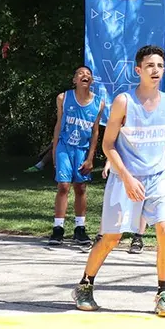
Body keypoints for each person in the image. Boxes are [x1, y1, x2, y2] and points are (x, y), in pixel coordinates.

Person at [74, 46, 165, 317]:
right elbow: (108, 145)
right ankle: (85, 284)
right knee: (112, 237)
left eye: (159, 65)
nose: (156, 70)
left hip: (157, 178)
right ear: (138, 70)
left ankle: (163, 293)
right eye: (150, 66)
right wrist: (128, 177)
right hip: (126, 178)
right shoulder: (124, 101)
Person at [47, 65, 106, 248]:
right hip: (65, 147)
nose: (85, 75)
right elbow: (58, 125)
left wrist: (91, 157)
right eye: (81, 73)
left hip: (82, 149)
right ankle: (58, 228)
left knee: (80, 187)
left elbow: (95, 132)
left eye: (88, 74)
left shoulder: (99, 103)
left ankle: (80, 228)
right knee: (63, 186)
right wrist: (55, 150)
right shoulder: (63, 98)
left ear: (92, 81)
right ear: (74, 80)